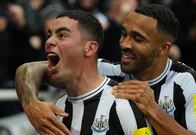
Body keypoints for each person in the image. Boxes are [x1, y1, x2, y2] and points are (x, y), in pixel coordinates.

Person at [16, 4, 196, 135]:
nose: (125, 44)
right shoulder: (107, 70)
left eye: (138, 39)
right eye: (124, 34)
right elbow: (29, 70)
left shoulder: (188, 81)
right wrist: (30, 103)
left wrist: (153, 110)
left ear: (163, 48)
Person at [17, 9, 153, 135]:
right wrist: (30, 103)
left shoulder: (122, 106)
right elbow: (27, 69)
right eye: (49, 35)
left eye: (62, 35)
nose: (49, 41)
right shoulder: (58, 107)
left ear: (90, 48)